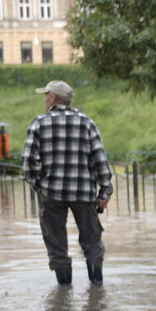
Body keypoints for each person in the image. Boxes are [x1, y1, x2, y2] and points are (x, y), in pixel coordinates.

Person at [22, 80, 113, 285]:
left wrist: (41, 185)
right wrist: (104, 192)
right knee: (92, 243)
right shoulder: (86, 122)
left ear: (53, 99)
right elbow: (100, 159)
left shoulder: (38, 123)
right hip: (84, 194)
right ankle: (97, 289)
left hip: (51, 195)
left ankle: (63, 293)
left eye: (46, 97)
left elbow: (28, 164)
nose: (44, 101)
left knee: (57, 247)